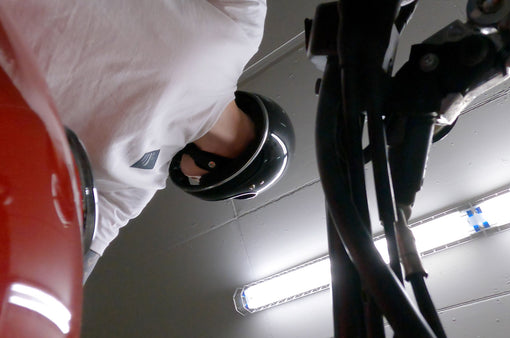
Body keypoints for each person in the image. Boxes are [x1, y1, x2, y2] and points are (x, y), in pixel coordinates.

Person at [2, 0, 294, 281]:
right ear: (214, 170)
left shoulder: (243, 29)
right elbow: (73, 262)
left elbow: (75, 257)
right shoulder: (136, 185)